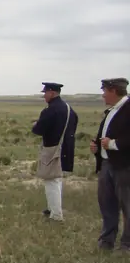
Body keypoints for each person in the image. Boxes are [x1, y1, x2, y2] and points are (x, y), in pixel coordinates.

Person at [31, 82, 78, 222]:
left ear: (52, 92)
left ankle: (56, 214)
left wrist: (35, 125)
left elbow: (38, 130)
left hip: (52, 148)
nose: (44, 95)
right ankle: (53, 208)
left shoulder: (50, 110)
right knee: (56, 180)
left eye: (45, 93)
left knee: (51, 180)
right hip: (66, 148)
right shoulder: (69, 109)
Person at [92, 77, 130, 252]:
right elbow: (105, 135)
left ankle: (127, 244)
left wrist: (113, 144)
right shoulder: (111, 111)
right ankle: (107, 240)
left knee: (127, 205)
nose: (103, 95)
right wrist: (97, 147)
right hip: (107, 164)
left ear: (114, 91)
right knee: (107, 204)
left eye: (104, 91)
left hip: (124, 166)